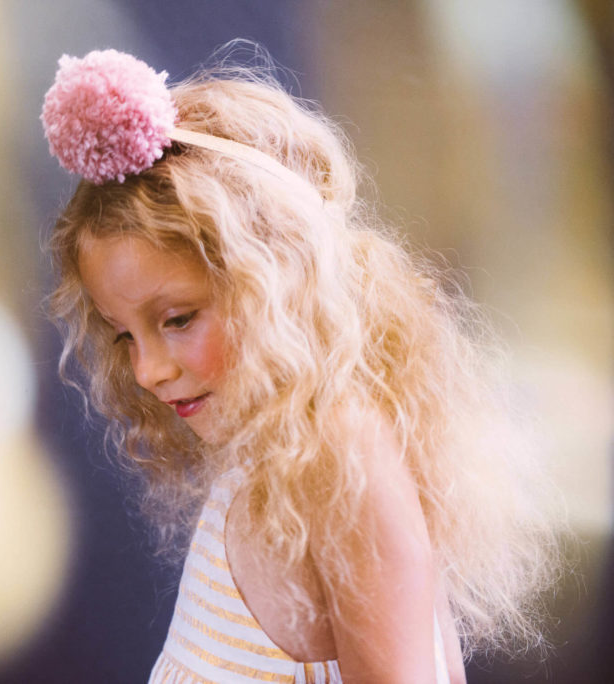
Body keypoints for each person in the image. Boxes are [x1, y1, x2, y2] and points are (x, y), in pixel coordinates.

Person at [41, 47, 561, 683]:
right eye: (124, 335)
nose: (147, 371)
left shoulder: (339, 459)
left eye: (177, 320)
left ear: (276, 284)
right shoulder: (274, 456)